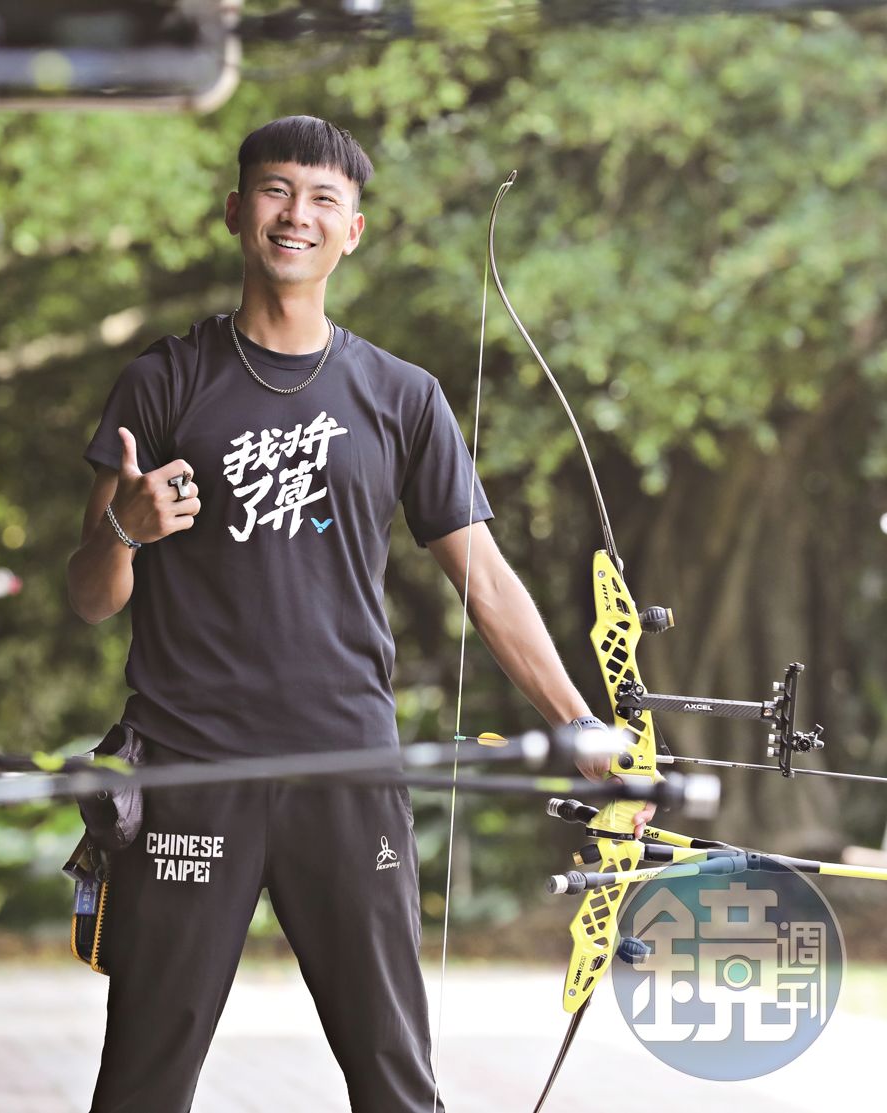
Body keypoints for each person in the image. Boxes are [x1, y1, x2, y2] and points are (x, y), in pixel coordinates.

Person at [66, 116, 639, 1113]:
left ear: (353, 231)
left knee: (393, 1077)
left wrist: (578, 722)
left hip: (348, 767)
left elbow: (487, 581)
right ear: (235, 211)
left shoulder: (400, 396)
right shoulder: (162, 381)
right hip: (192, 769)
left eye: (323, 199)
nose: (298, 214)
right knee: (141, 1084)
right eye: (276, 190)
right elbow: (88, 595)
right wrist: (126, 526)